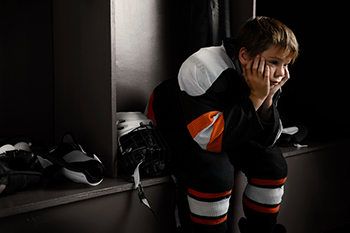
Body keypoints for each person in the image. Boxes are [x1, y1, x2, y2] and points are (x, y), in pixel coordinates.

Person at [146, 16, 298, 233]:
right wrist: (256, 97)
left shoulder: (269, 75)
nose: (282, 73)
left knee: (273, 162)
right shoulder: (202, 66)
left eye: (286, 64)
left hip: (224, 127)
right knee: (214, 170)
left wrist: (267, 98)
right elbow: (208, 139)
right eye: (274, 62)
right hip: (177, 124)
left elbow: (268, 140)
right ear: (245, 55)